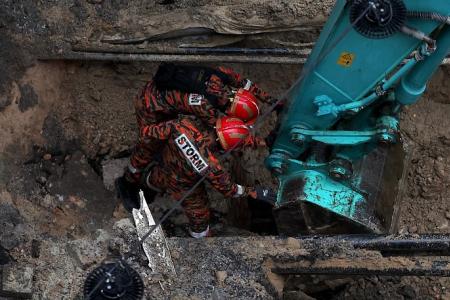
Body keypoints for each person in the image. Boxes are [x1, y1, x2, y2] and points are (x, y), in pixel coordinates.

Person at [125, 63, 275, 186]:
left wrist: (273, 102)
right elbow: (228, 136)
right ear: (230, 112)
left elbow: (247, 84)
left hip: (163, 94)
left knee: (167, 131)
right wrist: (261, 142)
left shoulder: (222, 74)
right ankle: (131, 178)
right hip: (149, 105)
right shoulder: (206, 107)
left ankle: (163, 155)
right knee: (148, 142)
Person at [133, 115, 275, 238]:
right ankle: (199, 239)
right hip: (184, 185)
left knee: (156, 179)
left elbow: (150, 132)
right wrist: (252, 191)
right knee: (200, 214)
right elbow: (229, 189)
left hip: (166, 166)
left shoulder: (183, 125)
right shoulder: (210, 166)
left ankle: (144, 184)